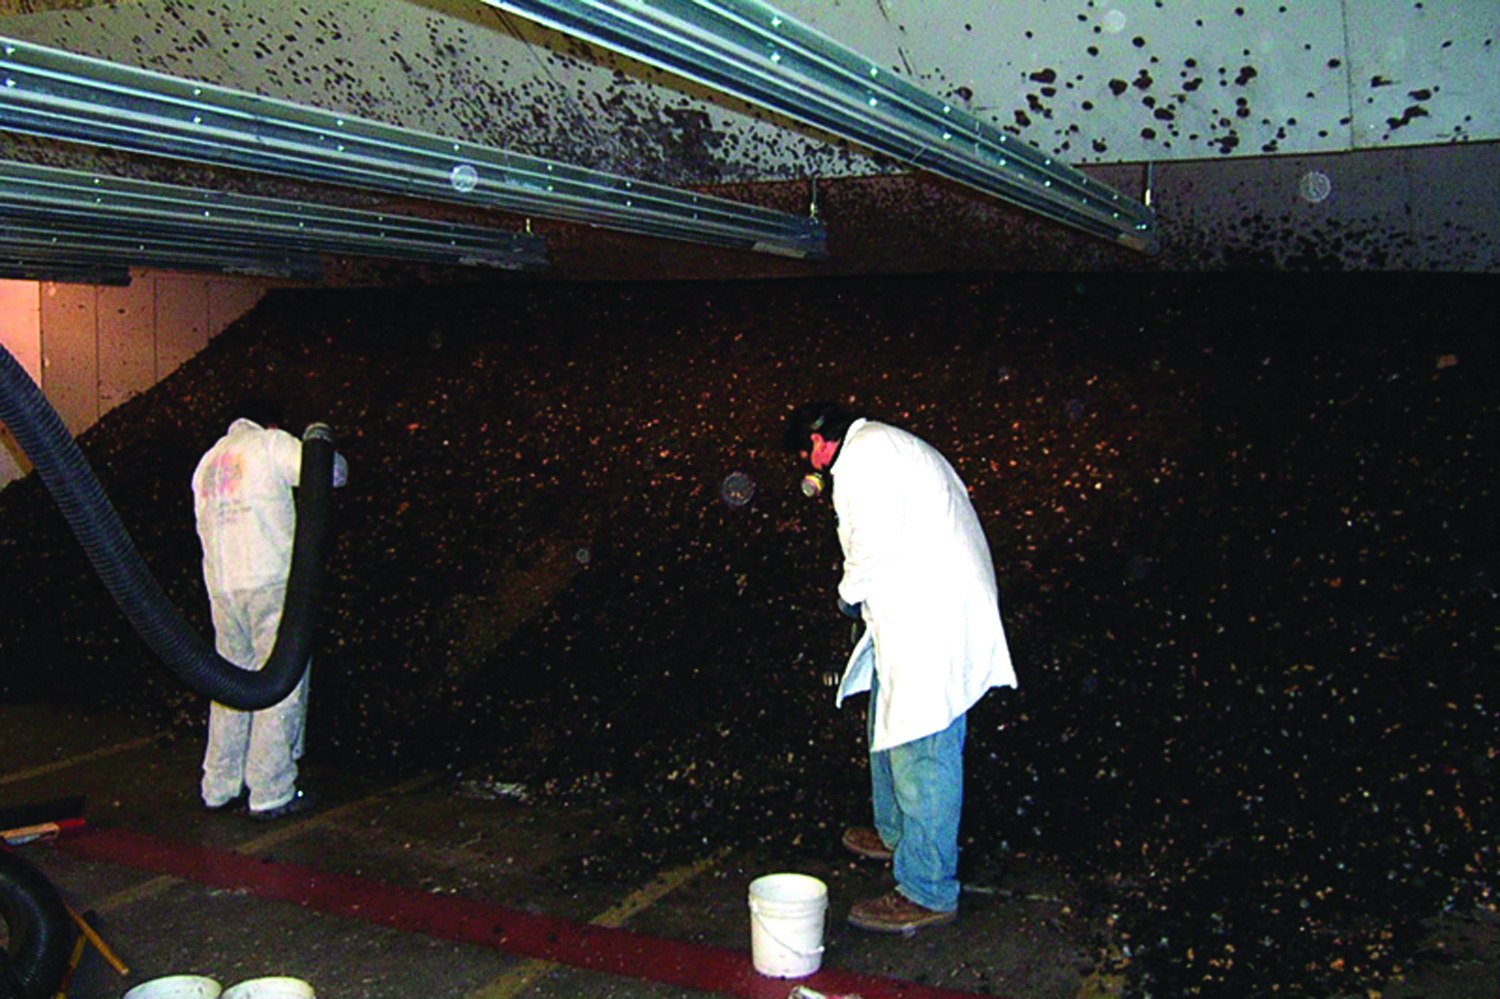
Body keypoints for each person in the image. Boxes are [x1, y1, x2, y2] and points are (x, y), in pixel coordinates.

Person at [784, 401, 1017, 933]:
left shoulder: (861, 460)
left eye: (808, 458)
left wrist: (847, 595)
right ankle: (895, 832)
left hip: (933, 617)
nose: (813, 470)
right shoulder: (881, 447)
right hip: (919, 604)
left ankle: (927, 887)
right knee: (886, 722)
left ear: (819, 444)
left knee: (922, 746)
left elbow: (872, 541)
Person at [192, 397, 347, 821]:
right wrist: (321, 442)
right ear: (272, 421)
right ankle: (271, 789)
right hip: (272, 583)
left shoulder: (207, 462)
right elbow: (326, 474)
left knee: (229, 687)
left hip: (223, 589)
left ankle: (219, 786)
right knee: (280, 684)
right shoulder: (271, 444)